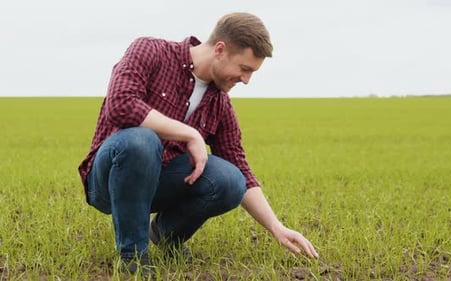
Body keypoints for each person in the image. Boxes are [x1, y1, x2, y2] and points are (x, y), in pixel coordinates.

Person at [78, 12, 318, 274]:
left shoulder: (219, 103)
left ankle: (166, 235)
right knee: (141, 140)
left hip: (159, 183)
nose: (246, 80)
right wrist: (189, 134)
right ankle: (133, 257)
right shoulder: (150, 51)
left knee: (230, 180)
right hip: (109, 181)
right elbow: (121, 105)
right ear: (220, 49)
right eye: (244, 69)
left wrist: (276, 227)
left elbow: (241, 170)